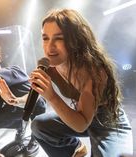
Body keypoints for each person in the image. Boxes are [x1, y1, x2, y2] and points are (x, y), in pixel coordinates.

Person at [24, 9, 133, 157]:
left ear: (75, 39)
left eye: (59, 38)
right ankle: (76, 149)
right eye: (45, 38)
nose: (49, 47)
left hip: (108, 123)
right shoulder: (51, 66)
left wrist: (52, 97)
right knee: (38, 125)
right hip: (81, 117)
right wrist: (14, 99)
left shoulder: (94, 71)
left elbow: (81, 125)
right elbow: (37, 92)